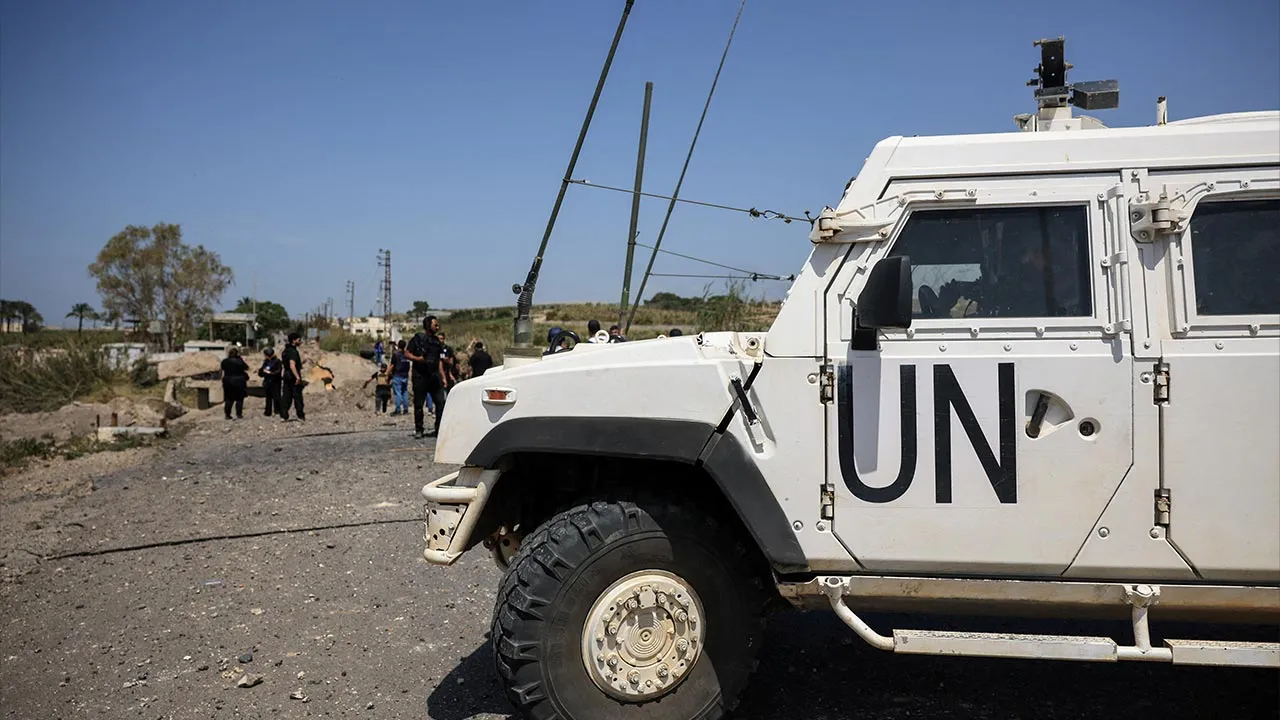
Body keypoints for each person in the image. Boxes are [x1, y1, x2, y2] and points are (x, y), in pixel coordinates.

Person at [404, 316, 447, 439]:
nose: (437, 327)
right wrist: (418, 359)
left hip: (434, 377)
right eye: (435, 325)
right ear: (428, 325)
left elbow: (439, 361)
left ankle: (438, 429)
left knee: (440, 403)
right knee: (419, 405)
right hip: (420, 376)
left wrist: (442, 376)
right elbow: (407, 353)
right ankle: (419, 429)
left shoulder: (436, 342)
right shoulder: (418, 339)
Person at [280, 332, 306, 422]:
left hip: (286, 375)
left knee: (286, 396)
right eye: (299, 339)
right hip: (292, 375)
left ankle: (284, 415)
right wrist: (297, 377)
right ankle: (300, 415)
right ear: (294, 341)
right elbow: (292, 365)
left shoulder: (285, 351)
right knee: (297, 396)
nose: (300, 341)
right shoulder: (292, 351)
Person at [220, 347, 250, 420]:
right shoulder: (239, 361)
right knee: (239, 399)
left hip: (228, 381)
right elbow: (246, 367)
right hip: (239, 381)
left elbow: (222, 367)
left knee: (229, 399)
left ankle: (227, 415)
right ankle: (239, 414)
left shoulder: (225, 361)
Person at [257, 347, 283, 417]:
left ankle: (277, 410)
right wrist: (261, 372)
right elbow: (262, 371)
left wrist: (270, 373)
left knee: (276, 397)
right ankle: (268, 412)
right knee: (268, 397)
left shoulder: (277, 361)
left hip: (275, 382)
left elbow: (278, 371)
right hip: (267, 382)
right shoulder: (266, 361)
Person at [390, 340, 410, 416]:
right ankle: (405, 410)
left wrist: (386, 374)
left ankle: (398, 410)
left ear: (398, 345)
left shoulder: (395, 354)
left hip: (397, 375)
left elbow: (392, 365)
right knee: (404, 392)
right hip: (405, 375)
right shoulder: (407, 355)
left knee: (397, 393)